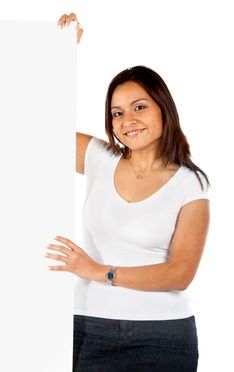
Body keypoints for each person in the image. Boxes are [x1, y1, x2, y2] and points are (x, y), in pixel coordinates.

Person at [45, 12, 211, 372]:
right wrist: (57, 57)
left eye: (139, 107)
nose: (127, 121)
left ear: (163, 109)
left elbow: (180, 272)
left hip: (164, 337)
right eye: (117, 113)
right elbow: (33, 125)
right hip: (89, 328)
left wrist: (98, 271)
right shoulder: (97, 158)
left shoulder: (191, 183)